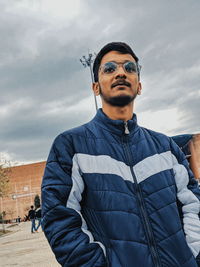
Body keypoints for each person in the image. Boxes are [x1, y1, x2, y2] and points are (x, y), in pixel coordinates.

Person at [41, 42, 200, 266]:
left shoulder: (165, 147)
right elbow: (59, 220)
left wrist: (193, 255)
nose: (121, 73)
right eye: (110, 69)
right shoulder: (70, 146)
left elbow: (194, 205)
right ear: (95, 87)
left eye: (129, 67)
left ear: (140, 85)